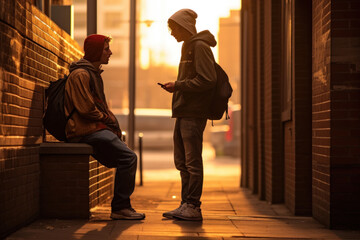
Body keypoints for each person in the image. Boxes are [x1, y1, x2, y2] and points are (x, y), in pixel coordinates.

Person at [64, 34, 145, 220]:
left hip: (93, 128)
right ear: (95, 51)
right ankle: (120, 208)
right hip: (84, 130)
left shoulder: (92, 74)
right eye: (106, 49)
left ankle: (121, 207)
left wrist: (107, 121)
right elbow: (86, 109)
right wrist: (107, 119)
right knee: (129, 157)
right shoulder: (81, 75)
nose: (110, 52)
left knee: (125, 159)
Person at [161, 9, 217, 221]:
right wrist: (178, 87)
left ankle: (193, 206)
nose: (172, 32)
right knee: (182, 161)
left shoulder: (199, 47)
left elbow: (207, 80)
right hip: (184, 111)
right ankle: (186, 204)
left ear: (184, 26)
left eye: (173, 28)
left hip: (194, 113)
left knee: (192, 162)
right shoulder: (188, 47)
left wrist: (178, 85)